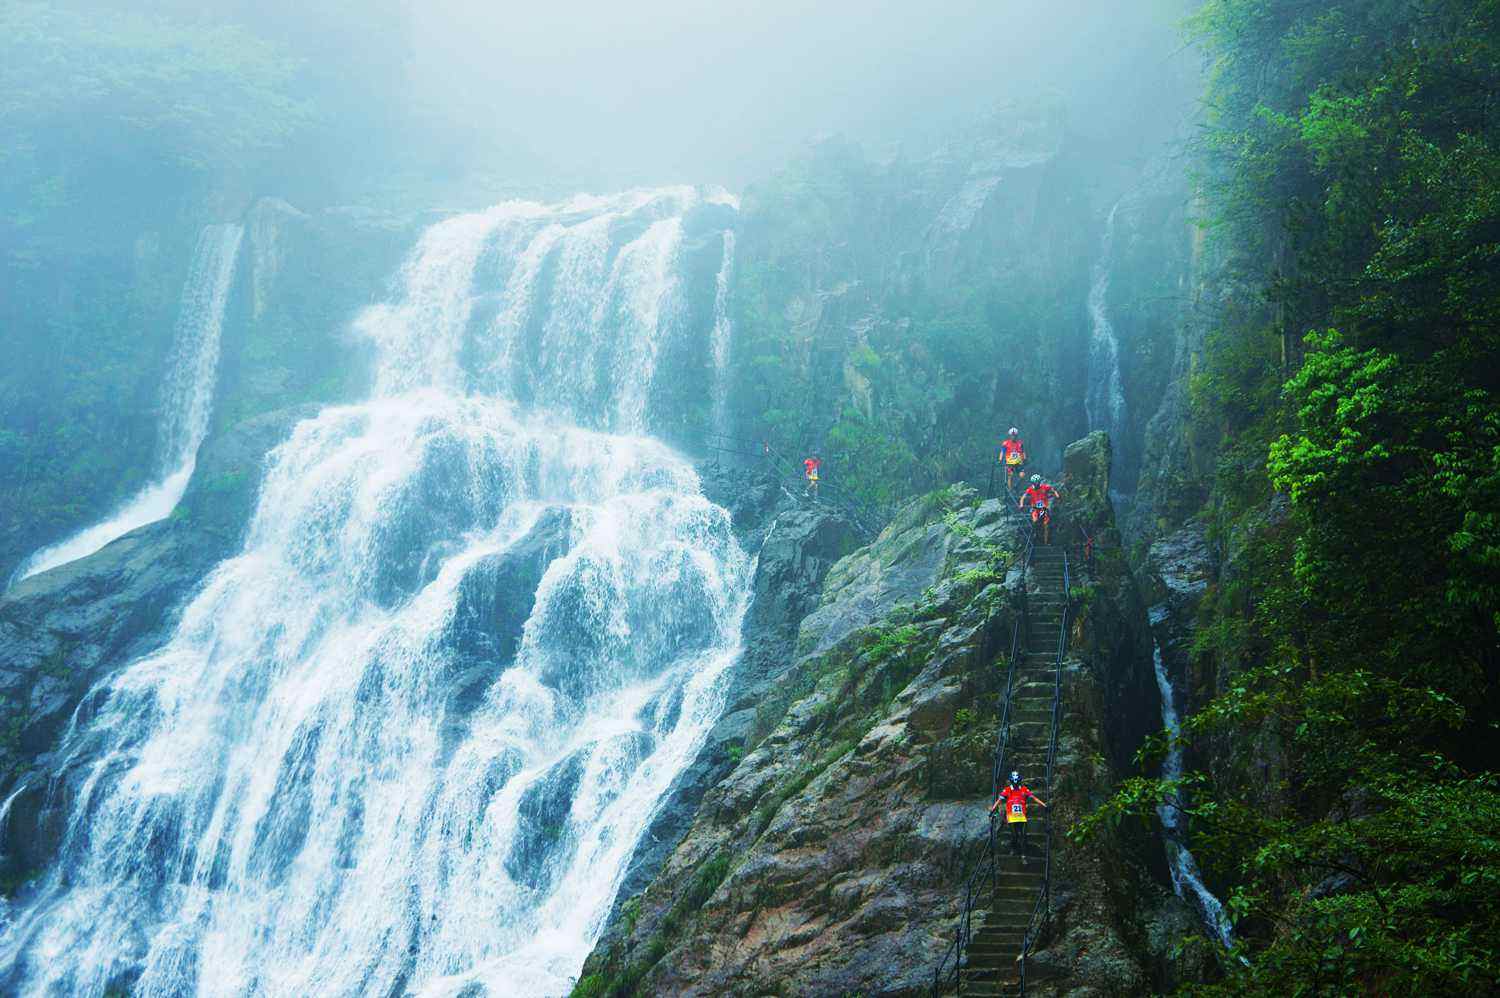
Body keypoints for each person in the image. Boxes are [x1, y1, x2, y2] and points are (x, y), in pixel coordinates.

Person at [989, 770, 1048, 862]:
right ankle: (1014, 848)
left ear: (1020, 781)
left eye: (1017, 782)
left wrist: (1045, 806)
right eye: (1013, 782)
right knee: (1014, 835)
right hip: (1012, 817)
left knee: (1023, 836)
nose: (1015, 784)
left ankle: (1024, 856)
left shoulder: (1024, 789)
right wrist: (993, 810)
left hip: (1022, 816)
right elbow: (999, 800)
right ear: (1011, 781)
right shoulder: (1007, 790)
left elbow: (1034, 798)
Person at [1018, 475, 1059, 544]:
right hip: (1035, 509)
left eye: (1037, 483)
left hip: (1044, 508)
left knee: (1046, 525)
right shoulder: (1030, 489)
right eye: (1034, 483)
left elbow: (1053, 490)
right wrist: (1021, 504)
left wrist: (1057, 495)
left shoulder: (1045, 487)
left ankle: (1046, 542)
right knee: (1035, 521)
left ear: (1039, 482)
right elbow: (1023, 497)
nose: (1036, 484)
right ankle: (1036, 534)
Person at [999, 428, 1028, 492]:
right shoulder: (1005, 443)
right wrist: (1000, 459)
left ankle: (1016, 486)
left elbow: (1023, 452)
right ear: (1010, 436)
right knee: (1010, 476)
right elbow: (1002, 452)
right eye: (1012, 435)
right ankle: (1010, 491)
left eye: (1015, 435)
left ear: (1017, 436)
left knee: (1022, 476)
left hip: (1019, 463)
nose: (1013, 437)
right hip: (1010, 463)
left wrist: (1025, 458)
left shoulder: (1020, 443)